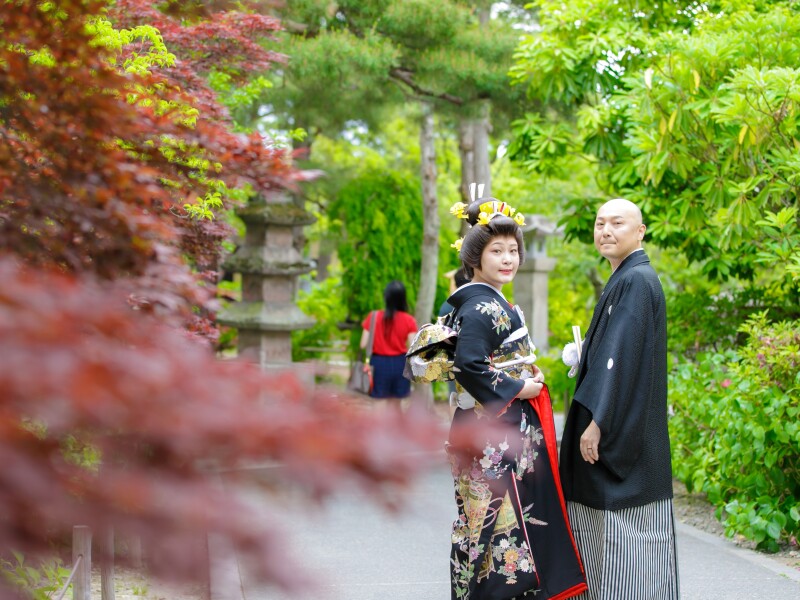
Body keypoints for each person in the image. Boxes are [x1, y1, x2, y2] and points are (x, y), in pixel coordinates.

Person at [446, 197, 587, 600]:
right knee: (494, 523)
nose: (508, 259)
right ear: (475, 256)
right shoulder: (480, 306)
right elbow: (468, 365)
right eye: (497, 251)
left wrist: (526, 371)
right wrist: (517, 387)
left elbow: (496, 358)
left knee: (505, 523)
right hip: (491, 432)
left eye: (513, 251)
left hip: (497, 427)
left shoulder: (489, 300)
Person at [559, 198, 679, 599]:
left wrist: (599, 422)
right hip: (632, 426)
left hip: (620, 431)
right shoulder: (628, 278)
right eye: (599, 223)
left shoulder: (636, 280)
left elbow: (620, 359)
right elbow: (614, 352)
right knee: (619, 542)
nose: (606, 230)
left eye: (617, 223)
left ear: (640, 231)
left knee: (624, 541)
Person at [360, 280, 418, 399]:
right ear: (403, 298)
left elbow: (363, 344)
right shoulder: (409, 320)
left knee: (378, 404)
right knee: (396, 406)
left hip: (378, 363)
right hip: (400, 364)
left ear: (386, 297)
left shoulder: (373, 316)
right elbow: (414, 347)